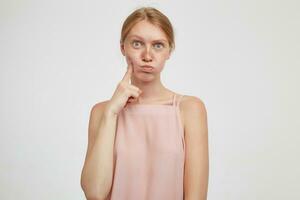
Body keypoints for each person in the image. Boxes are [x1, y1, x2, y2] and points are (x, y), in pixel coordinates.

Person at [80, 6, 209, 200]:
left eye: (158, 45)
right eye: (137, 44)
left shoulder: (189, 110)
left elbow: (196, 197)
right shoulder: (102, 112)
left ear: (169, 51)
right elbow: (95, 193)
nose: (147, 56)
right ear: (122, 47)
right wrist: (111, 113)